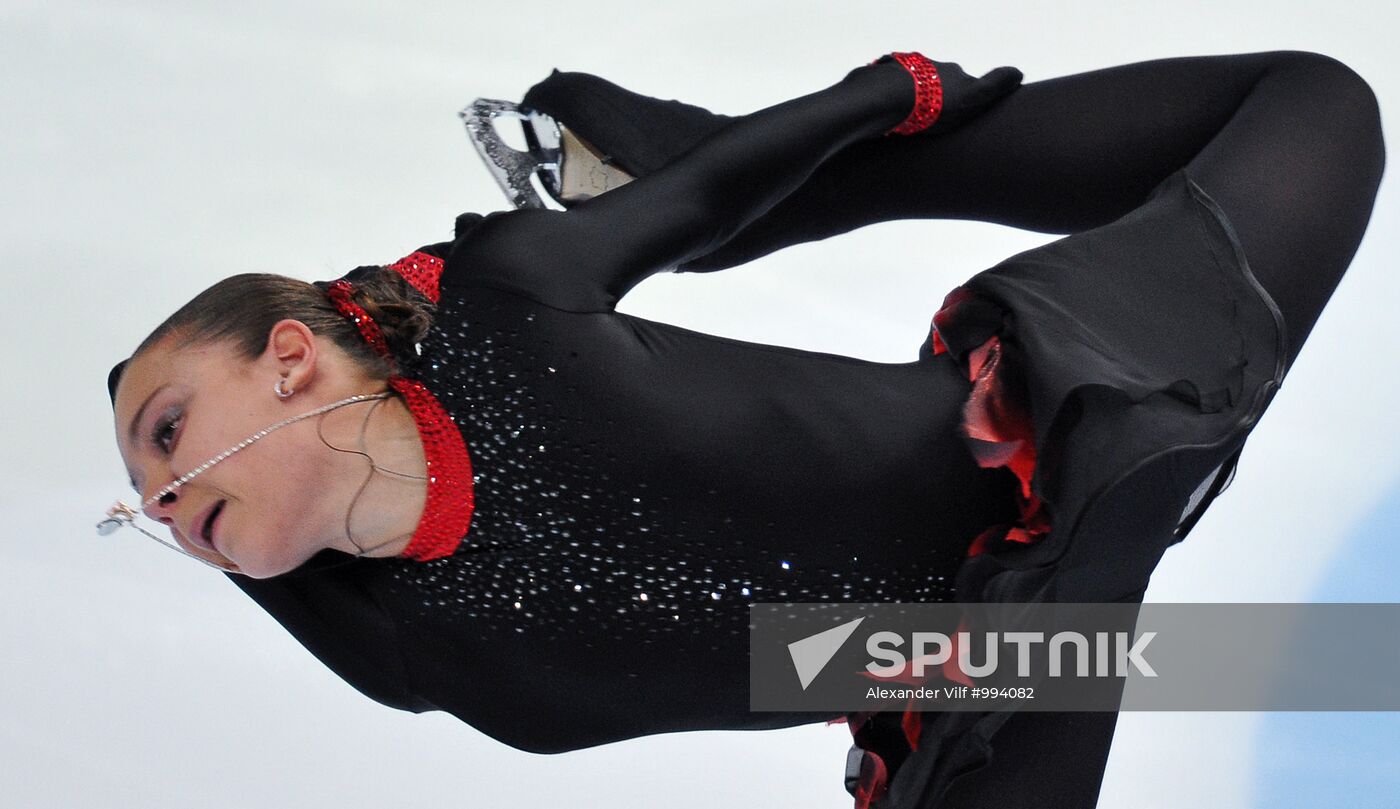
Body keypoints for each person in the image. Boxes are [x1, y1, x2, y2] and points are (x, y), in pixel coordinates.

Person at [103, 50, 1384, 809]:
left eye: (169, 431)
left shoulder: (496, 317)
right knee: (1273, 659)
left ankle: (848, 197)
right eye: (144, 489)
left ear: (287, 361)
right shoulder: (400, 646)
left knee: (1313, 106)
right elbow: (809, 662)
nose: (160, 495)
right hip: (940, 673)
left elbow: (707, 191)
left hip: (1035, 440)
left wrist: (890, 93)